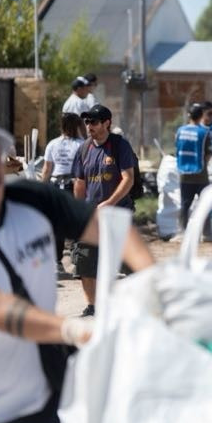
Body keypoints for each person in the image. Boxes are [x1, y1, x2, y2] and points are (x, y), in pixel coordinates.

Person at [0, 124, 154, 423]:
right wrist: (74, 331)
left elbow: (107, 227)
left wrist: (155, 282)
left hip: (49, 400)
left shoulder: (31, 199)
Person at [72, 105, 137, 317]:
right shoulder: (84, 149)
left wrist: (109, 202)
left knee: (131, 264)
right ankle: (93, 306)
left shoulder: (120, 146)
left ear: (106, 123)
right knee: (84, 262)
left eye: (94, 122)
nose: (89, 126)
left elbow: (128, 178)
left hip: (118, 214)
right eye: (87, 122)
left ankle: (137, 304)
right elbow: (80, 183)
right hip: (91, 216)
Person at [40, 113, 84, 276]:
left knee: (57, 226)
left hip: (56, 186)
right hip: (75, 185)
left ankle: (57, 263)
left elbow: (46, 169)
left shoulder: (53, 144)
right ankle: (78, 263)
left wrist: (42, 189)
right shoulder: (82, 144)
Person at [175, 103, 211, 239]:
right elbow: (208, 154)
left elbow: (177, 149)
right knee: (205, 203)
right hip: (200, 174)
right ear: (201, 116)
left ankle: (183, 232)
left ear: (189, 115)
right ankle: (206, 234)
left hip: (184, 173)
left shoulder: (180, 131)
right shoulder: (204, 132)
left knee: (185, 204)